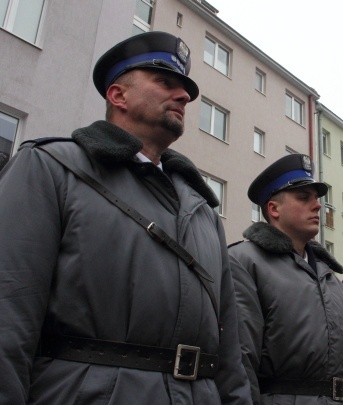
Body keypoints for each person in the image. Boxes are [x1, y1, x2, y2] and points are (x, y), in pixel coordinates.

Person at [0, 31, 251, 404]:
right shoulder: (51, 167)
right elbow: (9, 310)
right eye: (165, 82)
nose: (184, 96)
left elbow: (228, 346)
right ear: (118, 96)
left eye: (183, 89)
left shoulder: (202, 209)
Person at [228, 153, 343, 404]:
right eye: (304, 198)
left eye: (316, 199)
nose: (317, 206)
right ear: (274, 209)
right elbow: (239, 359)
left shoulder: (331, 278)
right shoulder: (244, 261)